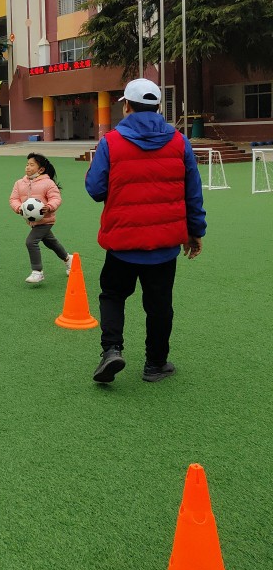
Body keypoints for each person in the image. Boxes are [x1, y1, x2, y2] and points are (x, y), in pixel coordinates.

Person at [85, 78, 206, 385]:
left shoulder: (111, 141)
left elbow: (95, 189)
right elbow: (193, 192)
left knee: (113, 295)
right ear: (158, 107)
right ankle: (156, 364)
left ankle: (111, 350)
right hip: (164, 245)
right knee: (159, 305)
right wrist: (195, 231)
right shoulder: (180, 141)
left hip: (122, 242)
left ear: (126, 105)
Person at [9, 153, 72, 284]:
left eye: (32, 165)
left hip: (46, 220)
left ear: (41, 169)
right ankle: (68, 259)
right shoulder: (19, 183)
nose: (27, 167)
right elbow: (13, 199)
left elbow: (56, 198)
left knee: (31, 242)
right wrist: (19, 208)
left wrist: (49, 207)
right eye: (27, 164)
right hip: (33, 221)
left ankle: (37, 272)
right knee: (51, 243)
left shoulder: (48, 183)